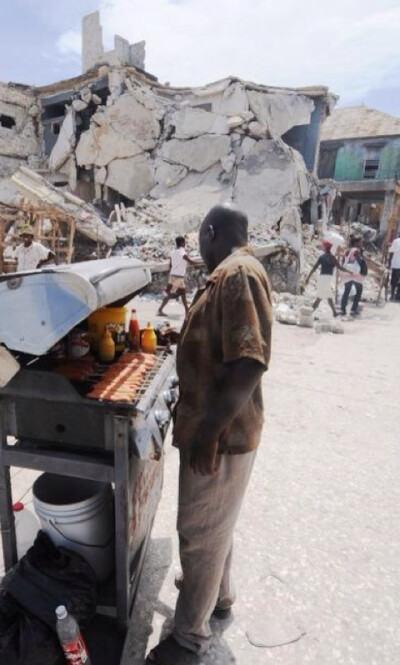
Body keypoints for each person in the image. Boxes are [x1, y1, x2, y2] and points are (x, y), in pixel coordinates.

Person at [146, 204, 272, 664]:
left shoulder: (237, 273)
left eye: (200, 238)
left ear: (211, 232)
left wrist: (209, 433)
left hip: (223, 433)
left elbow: (249, 362)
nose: (199, 247)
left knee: (199, 531)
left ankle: (188, 638)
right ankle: (219, 596)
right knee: (218, 523)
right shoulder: (235, 272)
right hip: (226, 430)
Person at [157, 235, 199, 316]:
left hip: (173, 275)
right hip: (178, 276)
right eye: (184, 242)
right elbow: (190, 261)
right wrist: (201, 263)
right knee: (173, 294)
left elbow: (170, 265)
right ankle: (160, 310)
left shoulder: (173, 252)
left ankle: (186, 310)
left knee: (181, 293)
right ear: (182, 243)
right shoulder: (182, 251)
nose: (185, 244)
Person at [303, 239, 345, 317]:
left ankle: (333, 312)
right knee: (322, 296)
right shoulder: (333, 258)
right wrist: (348, 271)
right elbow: (339, 267)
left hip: (322, 278)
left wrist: (308, 277)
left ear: (325, 248)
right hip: (328, 279)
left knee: (325, 296)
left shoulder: (322, 257)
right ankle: (311, 312)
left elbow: (314, 268)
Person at [339, 237, 365, 316]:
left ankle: (343, 310)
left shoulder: (347, 250)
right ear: (356, 243)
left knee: (346, 291)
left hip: (347, 272)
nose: (361, 244)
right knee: (359, 290)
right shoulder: (356, 251)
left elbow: (344, 261)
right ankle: (353, 309)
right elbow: (360, 261)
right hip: (355, 273)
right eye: (360, 242)